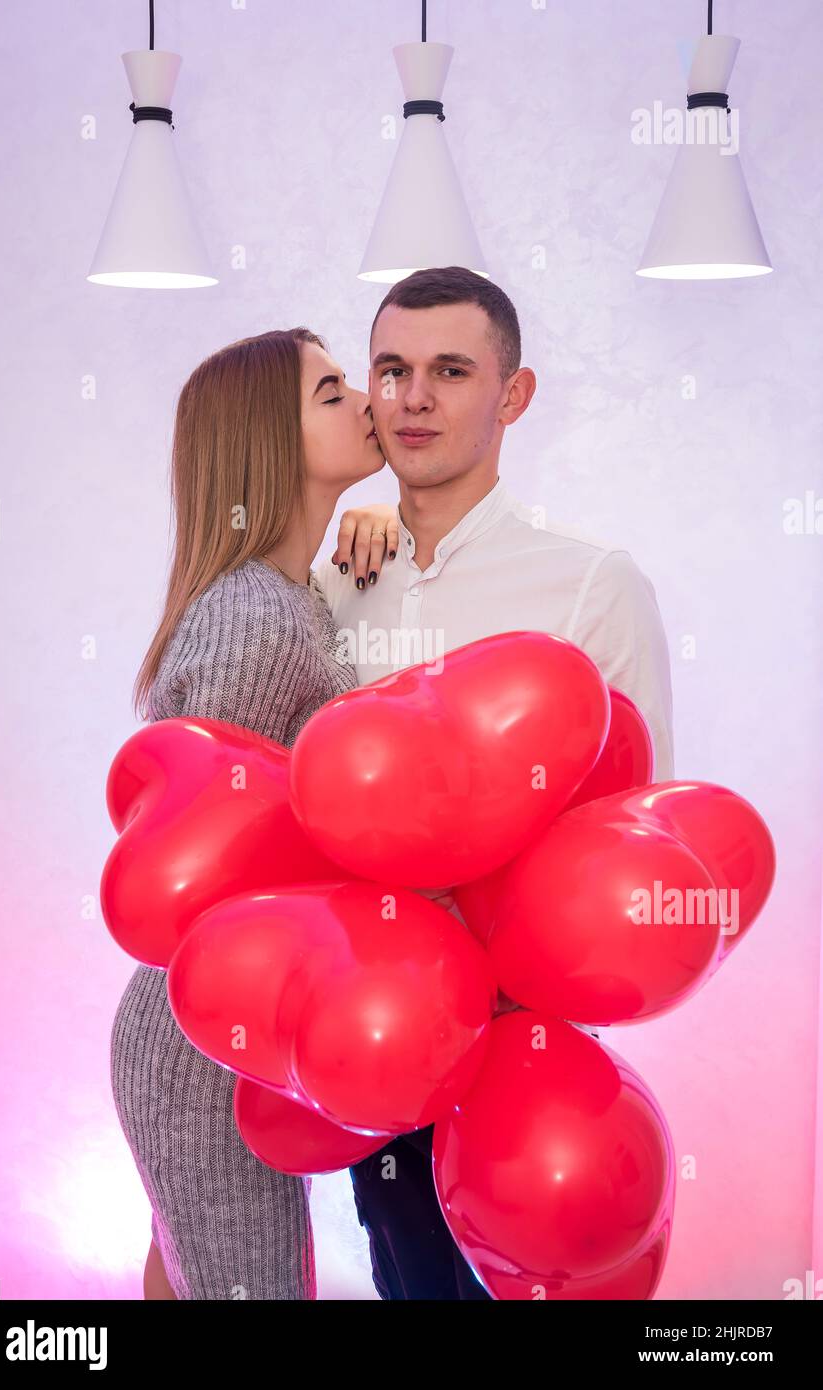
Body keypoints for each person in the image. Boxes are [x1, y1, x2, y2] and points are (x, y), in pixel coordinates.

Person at [315, 264, 676, 1300]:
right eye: (391, 369)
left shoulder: (591, 581)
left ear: (513, 395)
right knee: (409, 1278)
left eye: (451, 370)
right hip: (379, 1029)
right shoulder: (330, 583)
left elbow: (637, 825)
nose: (413, 396)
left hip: (530, 1050)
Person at [109, 327, 385, 1299]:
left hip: (231, 1027)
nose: (365, 400)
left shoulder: (297, 600)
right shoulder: (255, 617)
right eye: (330, 391)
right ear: (268, 439)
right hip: (199, 1045)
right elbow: (194, 856)